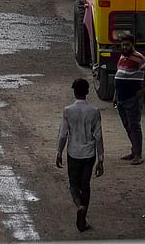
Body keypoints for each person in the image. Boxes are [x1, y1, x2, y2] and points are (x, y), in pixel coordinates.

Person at [56, 77, 104, 233]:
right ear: (87, 92)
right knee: (86, 185)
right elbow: (98, 136)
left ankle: (79, 206)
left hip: (73, 153)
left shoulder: (68, 111)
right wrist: (101, 159)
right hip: (89, 154)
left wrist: (59, 152)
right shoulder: (94, 111)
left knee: (73, 184)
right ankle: (83, 219)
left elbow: (63, 135)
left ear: (74, 92)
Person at [111, 32, 145, 165]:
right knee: (127, 125)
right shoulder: (122, 57)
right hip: (121, 98)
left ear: (132, 45)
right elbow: (119, 76)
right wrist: (115, 96)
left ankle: (138, 154)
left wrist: (142, 92)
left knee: (134, 125)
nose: (124, 47)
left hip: (132, 98)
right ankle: (134, 150)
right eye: (123, 45)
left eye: (127, 45)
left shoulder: (139, 58)